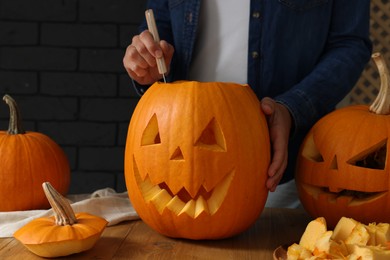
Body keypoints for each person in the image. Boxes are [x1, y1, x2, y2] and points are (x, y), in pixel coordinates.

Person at [123, 0, 372, 207]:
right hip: (175, 149)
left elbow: (349, 44)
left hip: (284, 165)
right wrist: (148, 60)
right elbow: (159, 25)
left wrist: (292, 108)